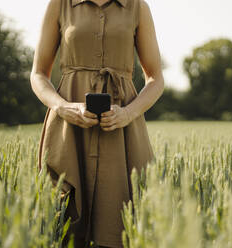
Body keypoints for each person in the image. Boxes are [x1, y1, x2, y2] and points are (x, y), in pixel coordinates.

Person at [30, 0, 164, 247]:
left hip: (122, 129)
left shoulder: (137, 7)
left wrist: (127, 113)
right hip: (68, 127)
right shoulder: (60, 4)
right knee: (61, 222)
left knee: (123, 223)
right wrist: (63, 107)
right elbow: (38, 74)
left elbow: (156, 79)